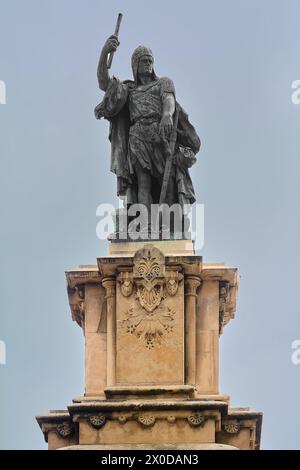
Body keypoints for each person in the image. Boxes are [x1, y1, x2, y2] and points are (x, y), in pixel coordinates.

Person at [95, 35, 201, 234]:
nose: (148, 64)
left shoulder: (163, 83)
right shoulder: (129, 90)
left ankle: (168, 225)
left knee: (166, 180)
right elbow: (104, 83)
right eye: (144, 61)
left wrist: (167, 116)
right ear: (135, 64)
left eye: (150, 60)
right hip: (137, 137)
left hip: (160, 133)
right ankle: (145, 226)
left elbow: (168, 100)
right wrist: (105, 53)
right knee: (142, 183)